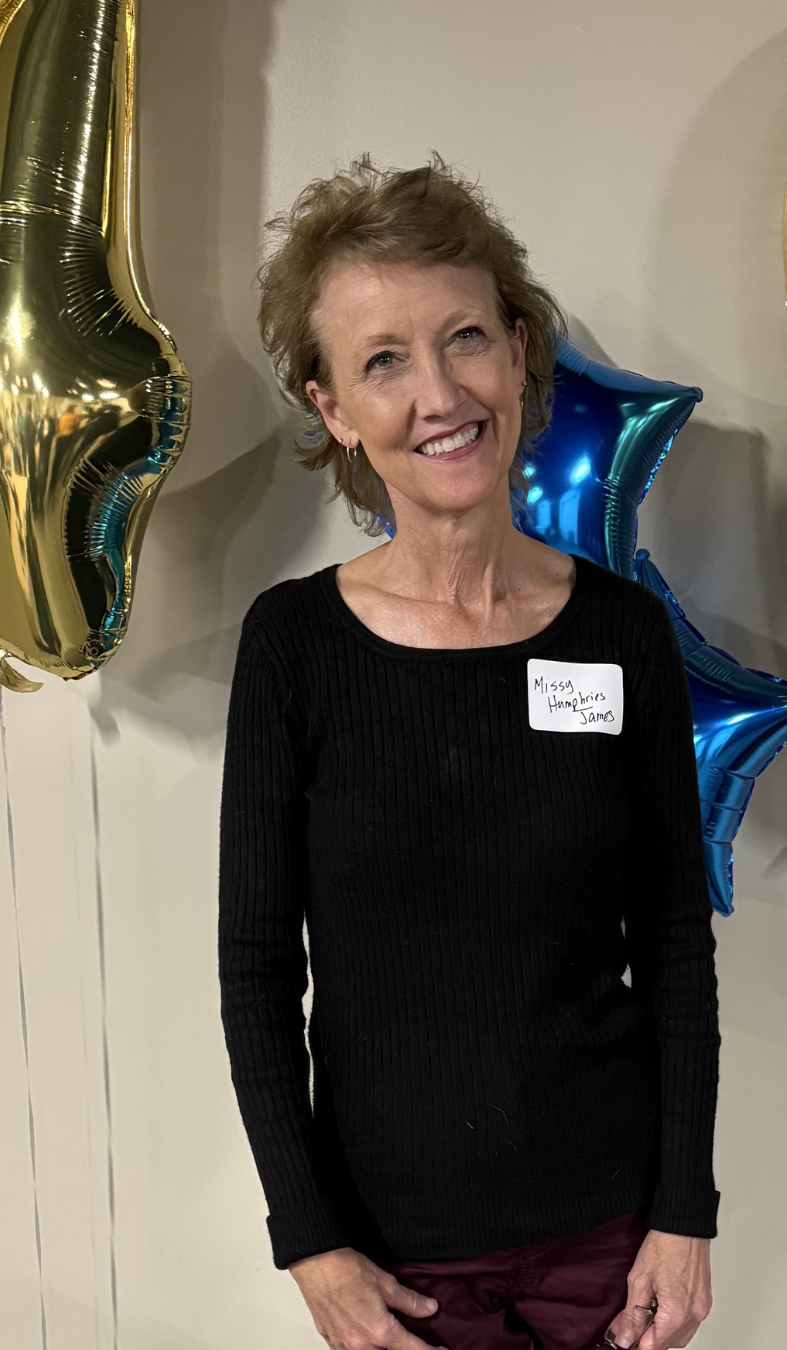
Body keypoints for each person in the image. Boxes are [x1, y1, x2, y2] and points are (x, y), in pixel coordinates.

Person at [218, 154, 720, 1350]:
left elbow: (671, 940)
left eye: (465, 338)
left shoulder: (619, 634)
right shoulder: (294, 648)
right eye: (383, 360)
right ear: (333, 407)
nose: (439, 393)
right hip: (397, 1265)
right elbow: (254, 970)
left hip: (611, 1242)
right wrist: (311, 1242)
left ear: (519, 346)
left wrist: (684, 1211)